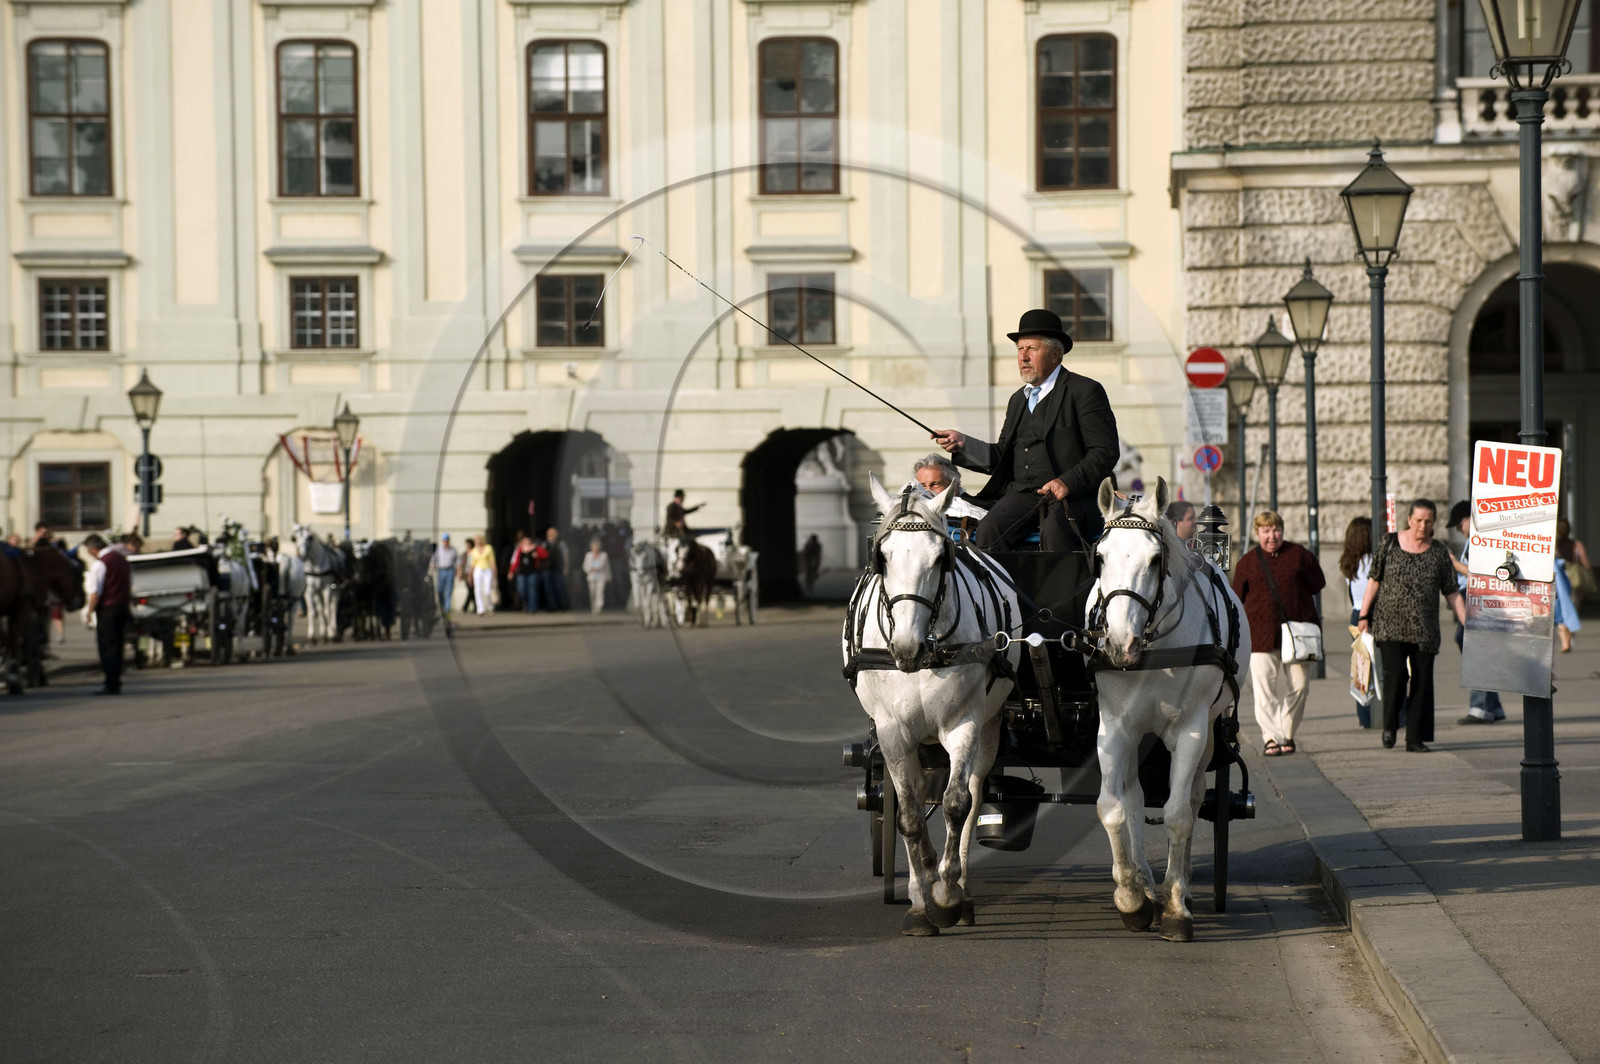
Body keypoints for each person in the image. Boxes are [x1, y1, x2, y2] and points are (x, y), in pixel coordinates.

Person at [932, 308, 1119, 549]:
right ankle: (1001, 588)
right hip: (1021, 494)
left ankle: (1057, 588)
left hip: (1073, 495)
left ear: (1056, 355)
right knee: (988, 530)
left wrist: (1067, 482)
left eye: (1032, 348)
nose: (1023, 357)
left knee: (1055, 531)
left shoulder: (1084, 391)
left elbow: (1105, 451)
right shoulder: (1017, 400)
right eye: (1020, 349)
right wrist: (963, 444)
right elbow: (1003, 457)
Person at [1357, 499, 1467, 753]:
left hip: (1424, 629)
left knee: (1422, 681)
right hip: (1389, 624)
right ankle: (1390, 724)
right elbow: (1374, 581)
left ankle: (1414, 739)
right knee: (1396, 676)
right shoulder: (1389, 543)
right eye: (1418, 520)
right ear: (1409, 519)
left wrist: (1466, 622)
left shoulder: (1439, 552)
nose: (1423, 525)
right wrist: (1364, 615)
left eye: (1428, 521)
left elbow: (1452, 593)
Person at [1232, 511, 1325, 756]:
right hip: (1260, 635)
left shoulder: (1299, 555)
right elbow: (1237, 597)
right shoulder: (1248, 562)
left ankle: (1286, 731)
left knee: (1300, 687)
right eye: (1266, 531)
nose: (1272, 536)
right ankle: (1271, 738)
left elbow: (1318, 583)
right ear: (1257, 533)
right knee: (1265, 691)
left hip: (1297, 634)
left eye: (1276, 530)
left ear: (1282, 530)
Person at [1447, 501, 1504, 724]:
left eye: (1459, 524)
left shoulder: (1478, 542)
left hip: (1477, 599)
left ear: (1467, 520)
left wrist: (1453, 563)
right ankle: (1492, 705)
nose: (1459, 530)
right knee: (1477, 649)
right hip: (1476, 599)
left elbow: (1479, 575)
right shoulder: (1476, 541)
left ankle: (1481, 707)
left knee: (1476, 651)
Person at [1338, 516, 1376, 728]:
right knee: (1382, 666)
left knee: (1362, 667)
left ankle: (1365, 717)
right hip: (1373, 613)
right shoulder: (1374, 561)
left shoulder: (1349, 563)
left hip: (1356, 614)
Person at [82, 533, 131, 695]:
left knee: (107, 646)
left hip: (107, 609)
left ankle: (110, 682)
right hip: (122, 605)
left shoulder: (100, 564)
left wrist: (89, 612)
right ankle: (116, 679)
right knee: (118, 645)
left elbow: (96, 592)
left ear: (93, 549)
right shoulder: (121, 559)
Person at [912, 453, 989, 521]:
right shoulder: (909, 512)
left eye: (935, 484)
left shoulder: (974, 515)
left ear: (954, 487)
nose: (927, 491)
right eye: (922, 486)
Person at [1555, 519, 1590, 653]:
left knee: (1560, 611)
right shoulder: (1576, 545)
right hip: (1574, 582)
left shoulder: (1554, 545)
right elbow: (1585, 563)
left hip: (1559, 582)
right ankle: (1569, 635)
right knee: (1571, 609)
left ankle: (1565, 641)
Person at [431, 533, 459, 615]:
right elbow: (433, 560)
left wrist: (458, 571)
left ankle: (447, 608)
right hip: (441, 570)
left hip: (450, 570)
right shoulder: (439, 549)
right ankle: (442, 605)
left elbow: (458, 560)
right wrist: (431, 569)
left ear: (449, 541)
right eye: (444, 540)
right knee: (439, 589)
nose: (446, 542)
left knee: (449, 589)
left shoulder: (453, 549)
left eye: (447, 540)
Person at [543, 528, 570, 611]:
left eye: (553, 533)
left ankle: (562, 605)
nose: (551, 535)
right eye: (550, 533)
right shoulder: (545, 544)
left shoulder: (561, 544)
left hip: (558, 568)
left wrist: (566, 567)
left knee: (559, 587)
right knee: (548, 588)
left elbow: (565, 556)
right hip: (547, 568)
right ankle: (552, 606)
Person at [469, 535, 497, 616]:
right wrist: (470, 575)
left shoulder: (488, 548)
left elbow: (492, 561)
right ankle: (480, 609)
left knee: (487, 590)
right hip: (478, 570)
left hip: (487, 569)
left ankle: (490, 606)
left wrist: (495, 571)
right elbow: (472, 564)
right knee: (478, 589)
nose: (476, 542)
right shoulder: (474, 551)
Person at [583, 538, 611, 615]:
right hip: (592, 576)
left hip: (601, 576)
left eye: (597, 546)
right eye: (594, 546)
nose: (595, 548)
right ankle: (593, 607)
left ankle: (599, 607)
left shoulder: (604, 555)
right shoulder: (588, 555)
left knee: (600, 592)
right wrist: (590, 569)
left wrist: (609, 576)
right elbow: (585, 566)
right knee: (592, 592)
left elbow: (607, 567)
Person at [458, 538, 477, 613]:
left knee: (471, 590)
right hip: (466, 573)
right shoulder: (464, 554)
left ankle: (465, 606)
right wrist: (459, 573)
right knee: (470, 590)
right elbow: (460, 564)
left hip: (473, 573)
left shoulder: (474, 552)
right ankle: (474, 606)